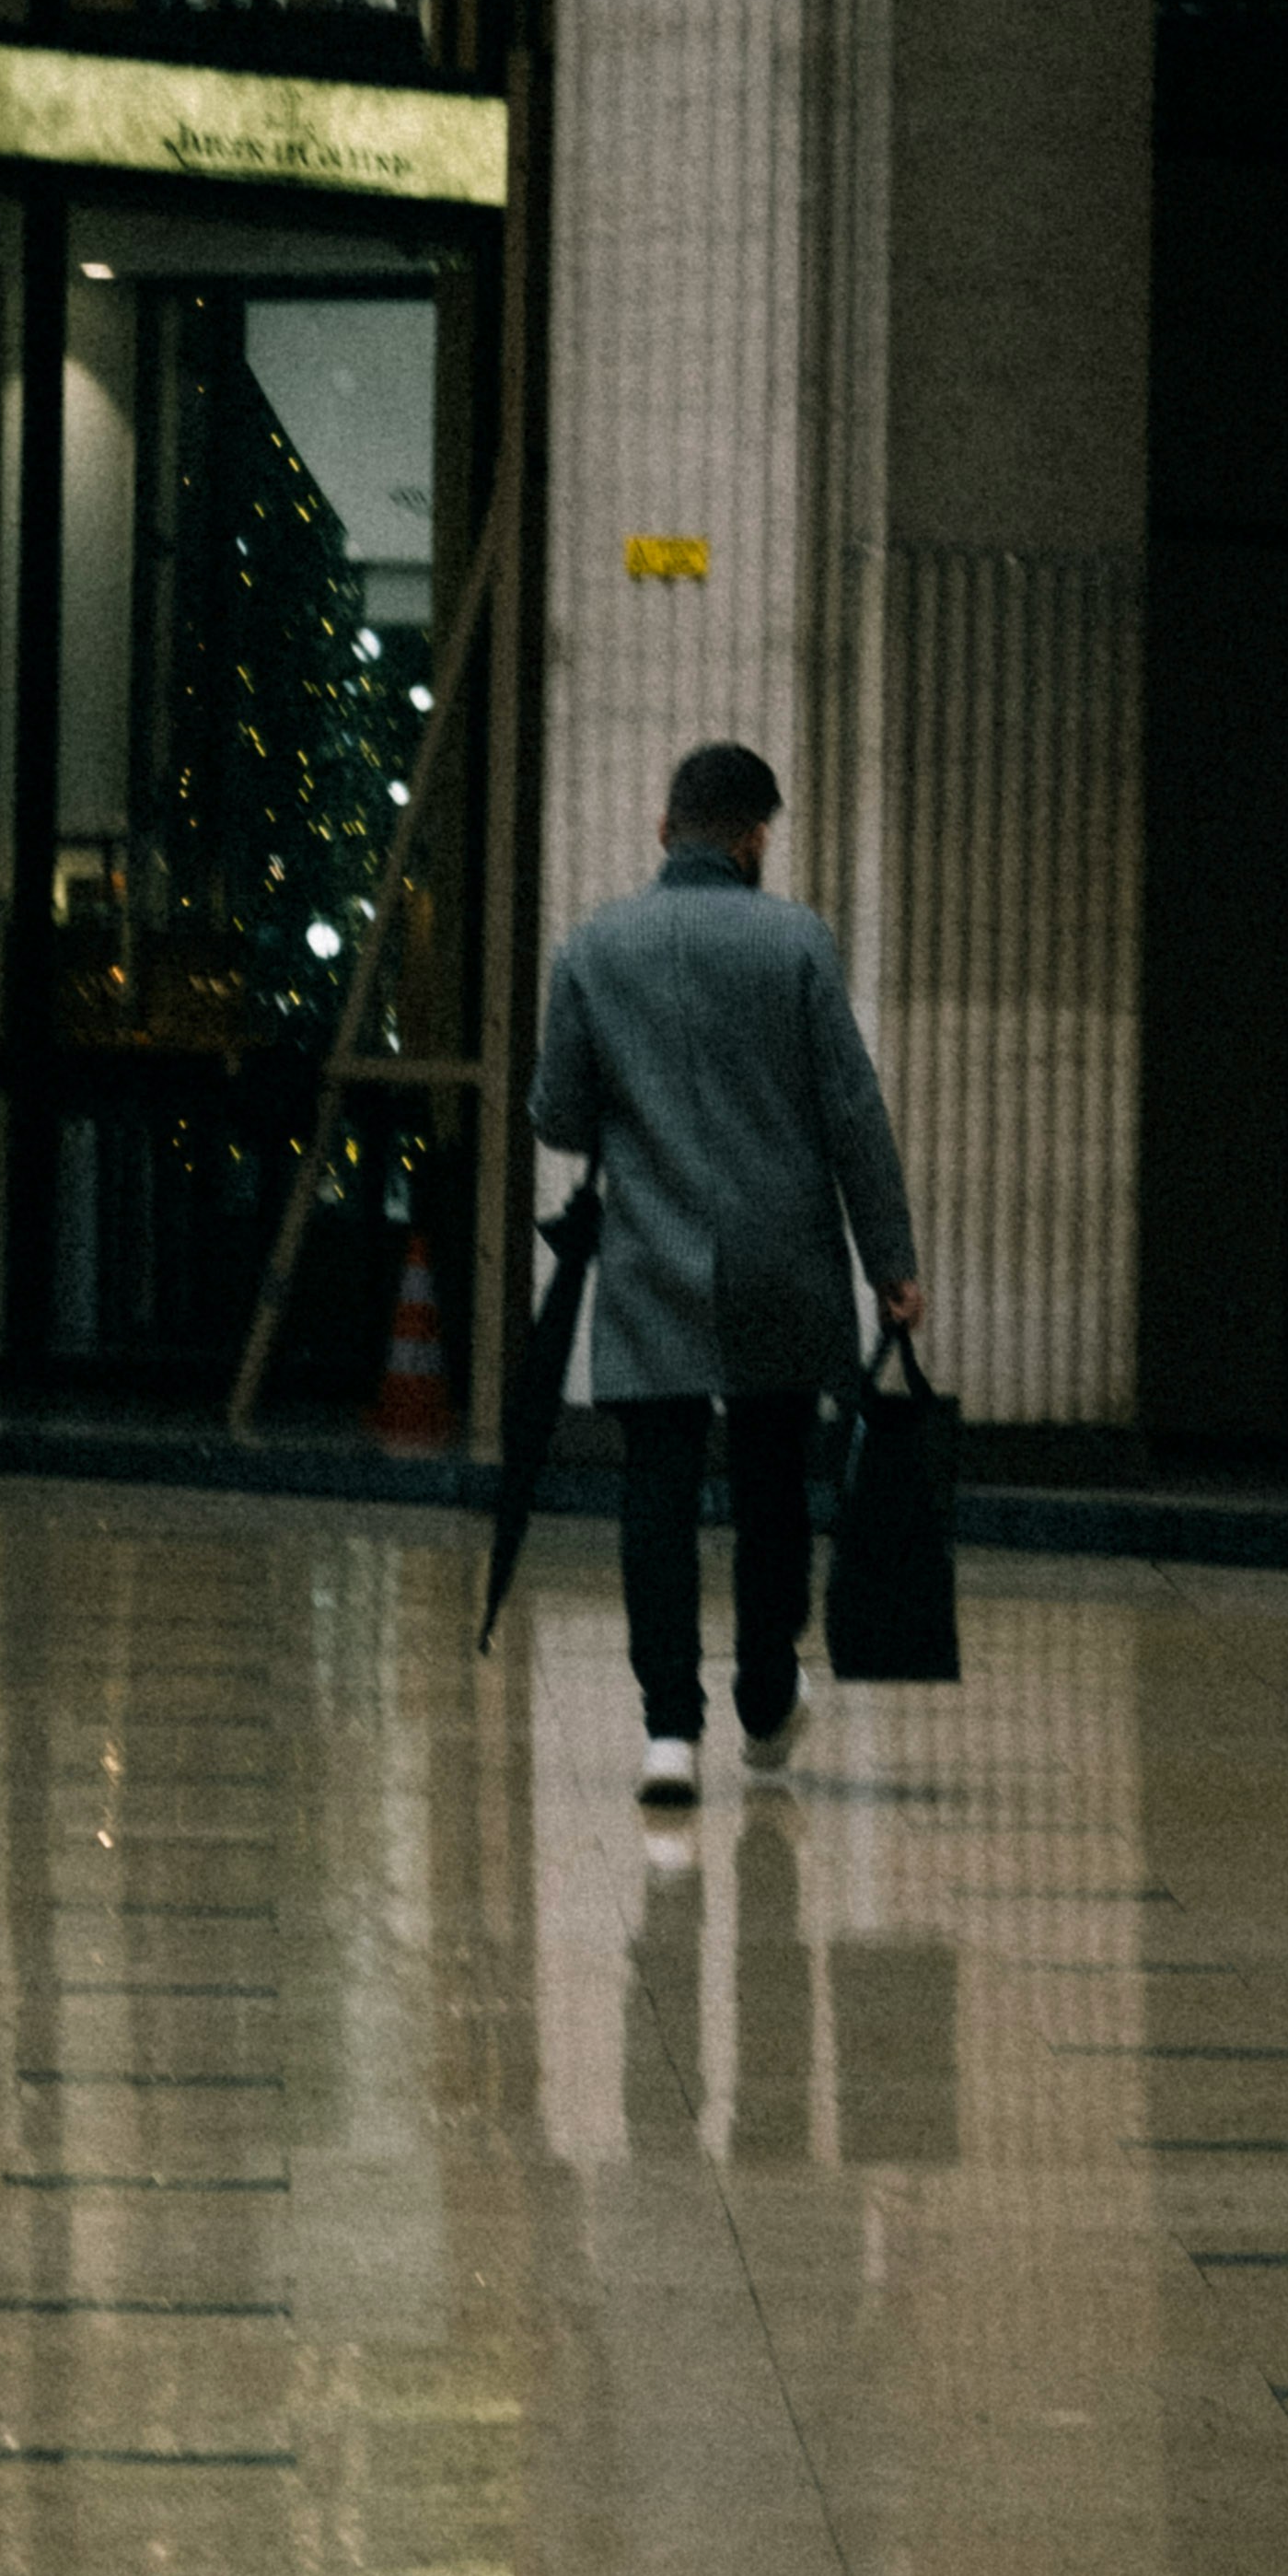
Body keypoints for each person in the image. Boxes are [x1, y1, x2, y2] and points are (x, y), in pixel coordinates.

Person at [528, 737, 925, 1812]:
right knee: (768, 1484)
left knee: (652, 1491)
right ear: (754, 838)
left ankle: (667, 1731)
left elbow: (557, 1115)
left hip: (652, 1258)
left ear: (665, 830)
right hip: (780, 1261)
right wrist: (891, 1261)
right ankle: (760, 1692)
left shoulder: (591, 948)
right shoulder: (796, 942)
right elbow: (852, 1115)